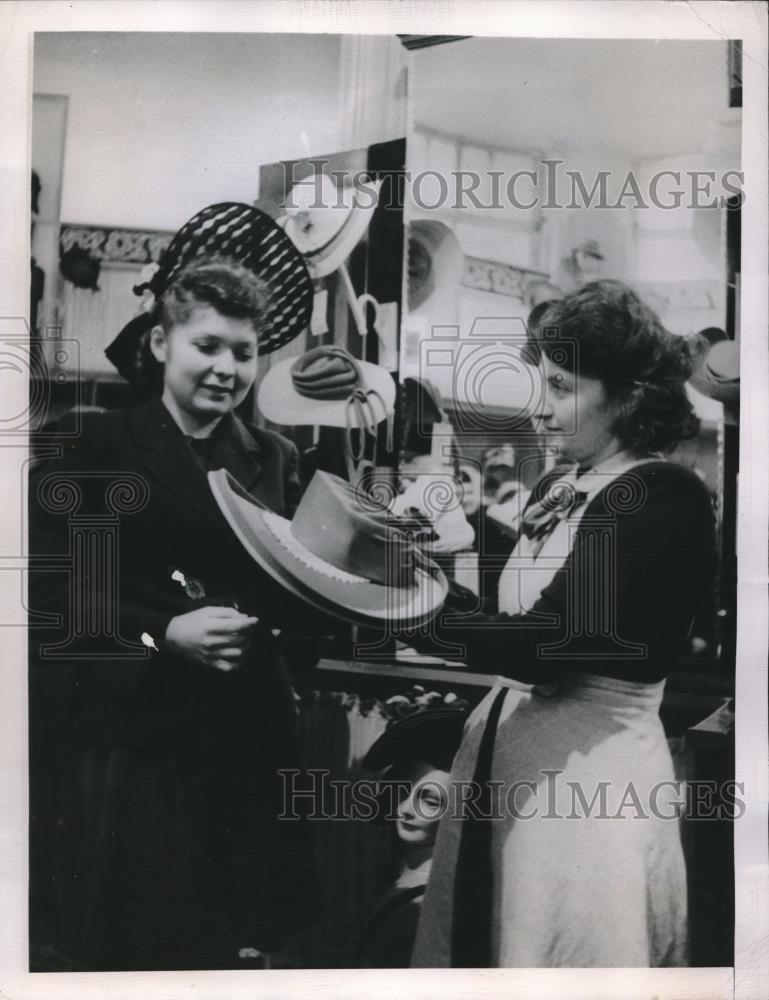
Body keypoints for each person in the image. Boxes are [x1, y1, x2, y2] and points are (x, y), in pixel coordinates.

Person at [28, 203, 325, 971]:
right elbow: (57, 603)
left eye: (244, 351)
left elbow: (292, 594)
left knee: (226, 953)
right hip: (137, 747)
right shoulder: (95, 444)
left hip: (243, 743)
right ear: (161, 343)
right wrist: (163, 636)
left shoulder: (273, 457)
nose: (226, 367)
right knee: (131, 950)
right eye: (207, 345)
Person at [407, 280, 718, 968]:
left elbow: (549, 640)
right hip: (516, 767)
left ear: (627, 396)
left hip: (586, 794)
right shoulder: (563, 486)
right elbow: (518, 605)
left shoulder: (660, 494)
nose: (539, 411)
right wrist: (435, 561)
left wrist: (414, 619)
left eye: (560, 388)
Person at [357, 703, 467, 968]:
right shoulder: (404, 876)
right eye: (404, 791)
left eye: (430, 802)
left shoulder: (426, 904)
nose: (405, 809)